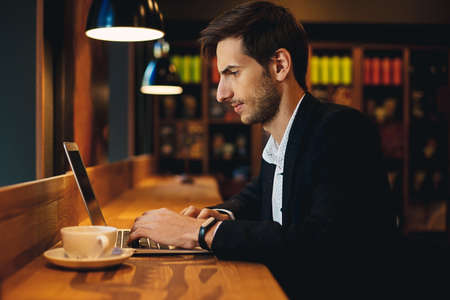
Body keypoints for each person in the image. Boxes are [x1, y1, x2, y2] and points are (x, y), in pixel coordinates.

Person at [130, 1, 397, 297]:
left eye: (232, 73)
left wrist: (199, 233)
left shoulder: (341, 130)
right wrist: (216, 215)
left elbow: (321, 242)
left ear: (279, 66)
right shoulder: (280, 139)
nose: (221, 93)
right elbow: (260, 195)